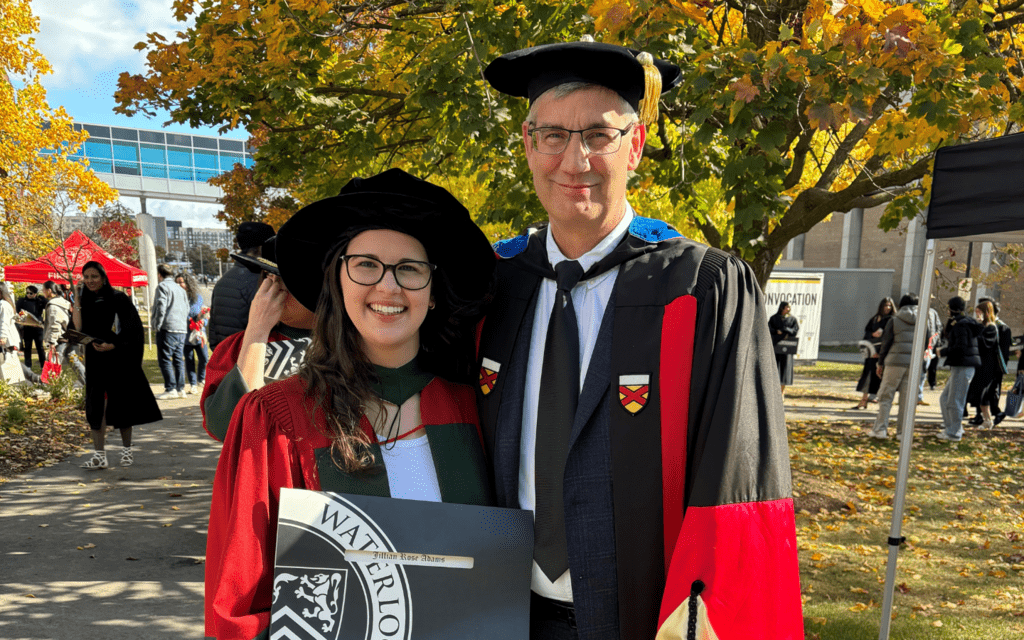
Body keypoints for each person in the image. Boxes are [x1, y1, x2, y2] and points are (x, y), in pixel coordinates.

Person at [478, 42, 803, 639]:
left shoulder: (701, 288)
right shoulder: (493, 282)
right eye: (552, 135)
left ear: (636, 145)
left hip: (644, 615)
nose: (574, 160)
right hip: (502, 614)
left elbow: (738, 481)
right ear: (528, 145)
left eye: (598, 135)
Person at [204, 169, 497, 639]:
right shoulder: (279, 417)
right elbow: (241, 598)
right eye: (365, 264)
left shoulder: (477, 410)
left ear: (434, 291)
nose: (388, 287)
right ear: (337, 280)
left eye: (410, 268)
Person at [199, 236, 315, 441]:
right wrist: (257, 331)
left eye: (287, 280)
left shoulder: (355, 345)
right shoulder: (234, 348)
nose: (272, 290)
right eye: (268, 276)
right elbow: (224, 427)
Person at [73, 262, 162, 469]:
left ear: (103, 277)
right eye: (86, 277)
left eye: (94, 276)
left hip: (118, 359)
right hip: (95, 361)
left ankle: (126, 451)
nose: (90, 280)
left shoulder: (118, 298)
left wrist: (114, 344)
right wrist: (76, 300)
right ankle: (99, 455)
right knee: (96, 407)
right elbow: (77, 328)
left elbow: (133, 329)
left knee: (121, 406)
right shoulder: (84, 300)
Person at [208, 221, 275, 350]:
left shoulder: (223, 280)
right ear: (262, 247)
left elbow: (213, 328)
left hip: (225, 359)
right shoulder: (260, 282)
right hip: (251, 359)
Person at [869, 294, 920, 439]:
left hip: (894, 361)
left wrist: (880, 363)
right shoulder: (923, 320)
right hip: (913, 363)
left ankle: (880, 429)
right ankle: (902, 432)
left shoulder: (895, 320)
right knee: (906, 399)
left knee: (886, 396)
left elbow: (886, 342)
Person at [937, 296, 982, 442]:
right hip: (960, 365)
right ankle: (951, 427)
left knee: (955, 401)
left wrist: (942, 352)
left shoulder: (961, 325)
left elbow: (960, 348)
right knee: (945, 399)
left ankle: (954, 433)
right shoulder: (962, 322)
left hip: (963, 365)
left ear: (952, 308)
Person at [967, 297, 1013, 425]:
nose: (977, 315)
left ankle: (990, 418)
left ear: (986, 313)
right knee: (981, 394)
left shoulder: (993, 327)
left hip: (989, 366)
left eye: (979, 312)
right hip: (981, 365)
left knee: (985, 394)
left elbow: (984, 343)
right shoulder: (983, 326)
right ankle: (985, 419)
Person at [151, 263, 189, 399]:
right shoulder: (181, 289)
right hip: (181, 328)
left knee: (165, 359)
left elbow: (161, 306)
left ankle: (171, 388)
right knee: (178, 359)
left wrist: (157, 324)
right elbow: (187, 308)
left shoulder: (162, 286)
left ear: (159, 274)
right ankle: (180, 389)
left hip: (167, 327)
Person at [853, 297, 894, 409]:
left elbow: (891, 338)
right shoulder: (875, 319)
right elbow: (866, 334)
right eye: (886, 305)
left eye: (890, 305)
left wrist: (881, 353)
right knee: (867, 376)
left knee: (882, 378)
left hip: (884, 354)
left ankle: (880, 402)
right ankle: (863, 401)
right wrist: (872, 335)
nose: (887, 308)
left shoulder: (892, 320)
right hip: (871, 352)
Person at [40, 281, 85, 382]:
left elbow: (55, 325)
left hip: (60, 339)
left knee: (53, 363)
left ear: (49, 291)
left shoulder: (53, 305)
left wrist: (52, 342)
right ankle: (88, 383)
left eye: (43, 290)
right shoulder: (65, 302)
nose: (42, 292)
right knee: (74, 362)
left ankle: (50, 387)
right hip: (70, 336)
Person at [175, 272, 208, 395]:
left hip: (198, 333)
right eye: (177, 282)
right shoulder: (176, 297)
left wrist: (202, 320)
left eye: (181, 282)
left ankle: (201, 379)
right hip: (184, 335)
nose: (179, 285)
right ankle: (193, 384)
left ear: (188, 283)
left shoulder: (197, 297)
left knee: (204, 358)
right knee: (189, 360)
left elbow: (197, 311)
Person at [0, 282, 40, 383]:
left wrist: (3, 336)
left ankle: (29, 384)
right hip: (10, 339)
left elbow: (3, 322)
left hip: (7, 340)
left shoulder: (3, 305)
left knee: (11, 366)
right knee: (12, 363)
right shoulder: (6, 303)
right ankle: (35, 379)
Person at [769, 301, 800, 395]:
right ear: (782, 308)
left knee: (785, 369)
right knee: (775, 367)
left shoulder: (792, 319)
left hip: (787, 348)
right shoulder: (774, 318)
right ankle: (773, 391)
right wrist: (776, 331)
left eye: (789, 308)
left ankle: (782, 392)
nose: (788, 309)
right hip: (776, 347)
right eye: (787, 307)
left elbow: (795, 330)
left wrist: (785, 330)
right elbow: (768, 329)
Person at [15, 285, 45, 368]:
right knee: (27, 347)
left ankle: (43, 365)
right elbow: (17, 310)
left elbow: (46, 305)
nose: (28, 295)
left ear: (35, 294)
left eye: (31, 293)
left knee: (40, 347)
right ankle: (28, 365)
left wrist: (42, 298)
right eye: (27, 293)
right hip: (27, 327)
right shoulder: (22, 301)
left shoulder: (39, 301)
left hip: (37, 327)